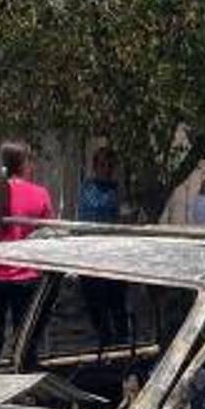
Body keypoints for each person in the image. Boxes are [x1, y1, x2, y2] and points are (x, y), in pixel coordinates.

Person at [0, 140, 55, 364]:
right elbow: (49, 237)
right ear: (24, 163)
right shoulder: (40, 194)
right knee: (25, 340)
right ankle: (24, 390)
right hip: (25, 277)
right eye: (31, 160)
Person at [75, 146, 130, 344]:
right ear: (95, 166)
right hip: (90, 253)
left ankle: (121, 341)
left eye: (110, 165)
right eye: (102, 165)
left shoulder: (118, 190)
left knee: (116, 303)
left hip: (114, 255)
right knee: (95, 305)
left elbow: (124, 218)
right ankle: (104, 338)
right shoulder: (87, 188)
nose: (106, 169)